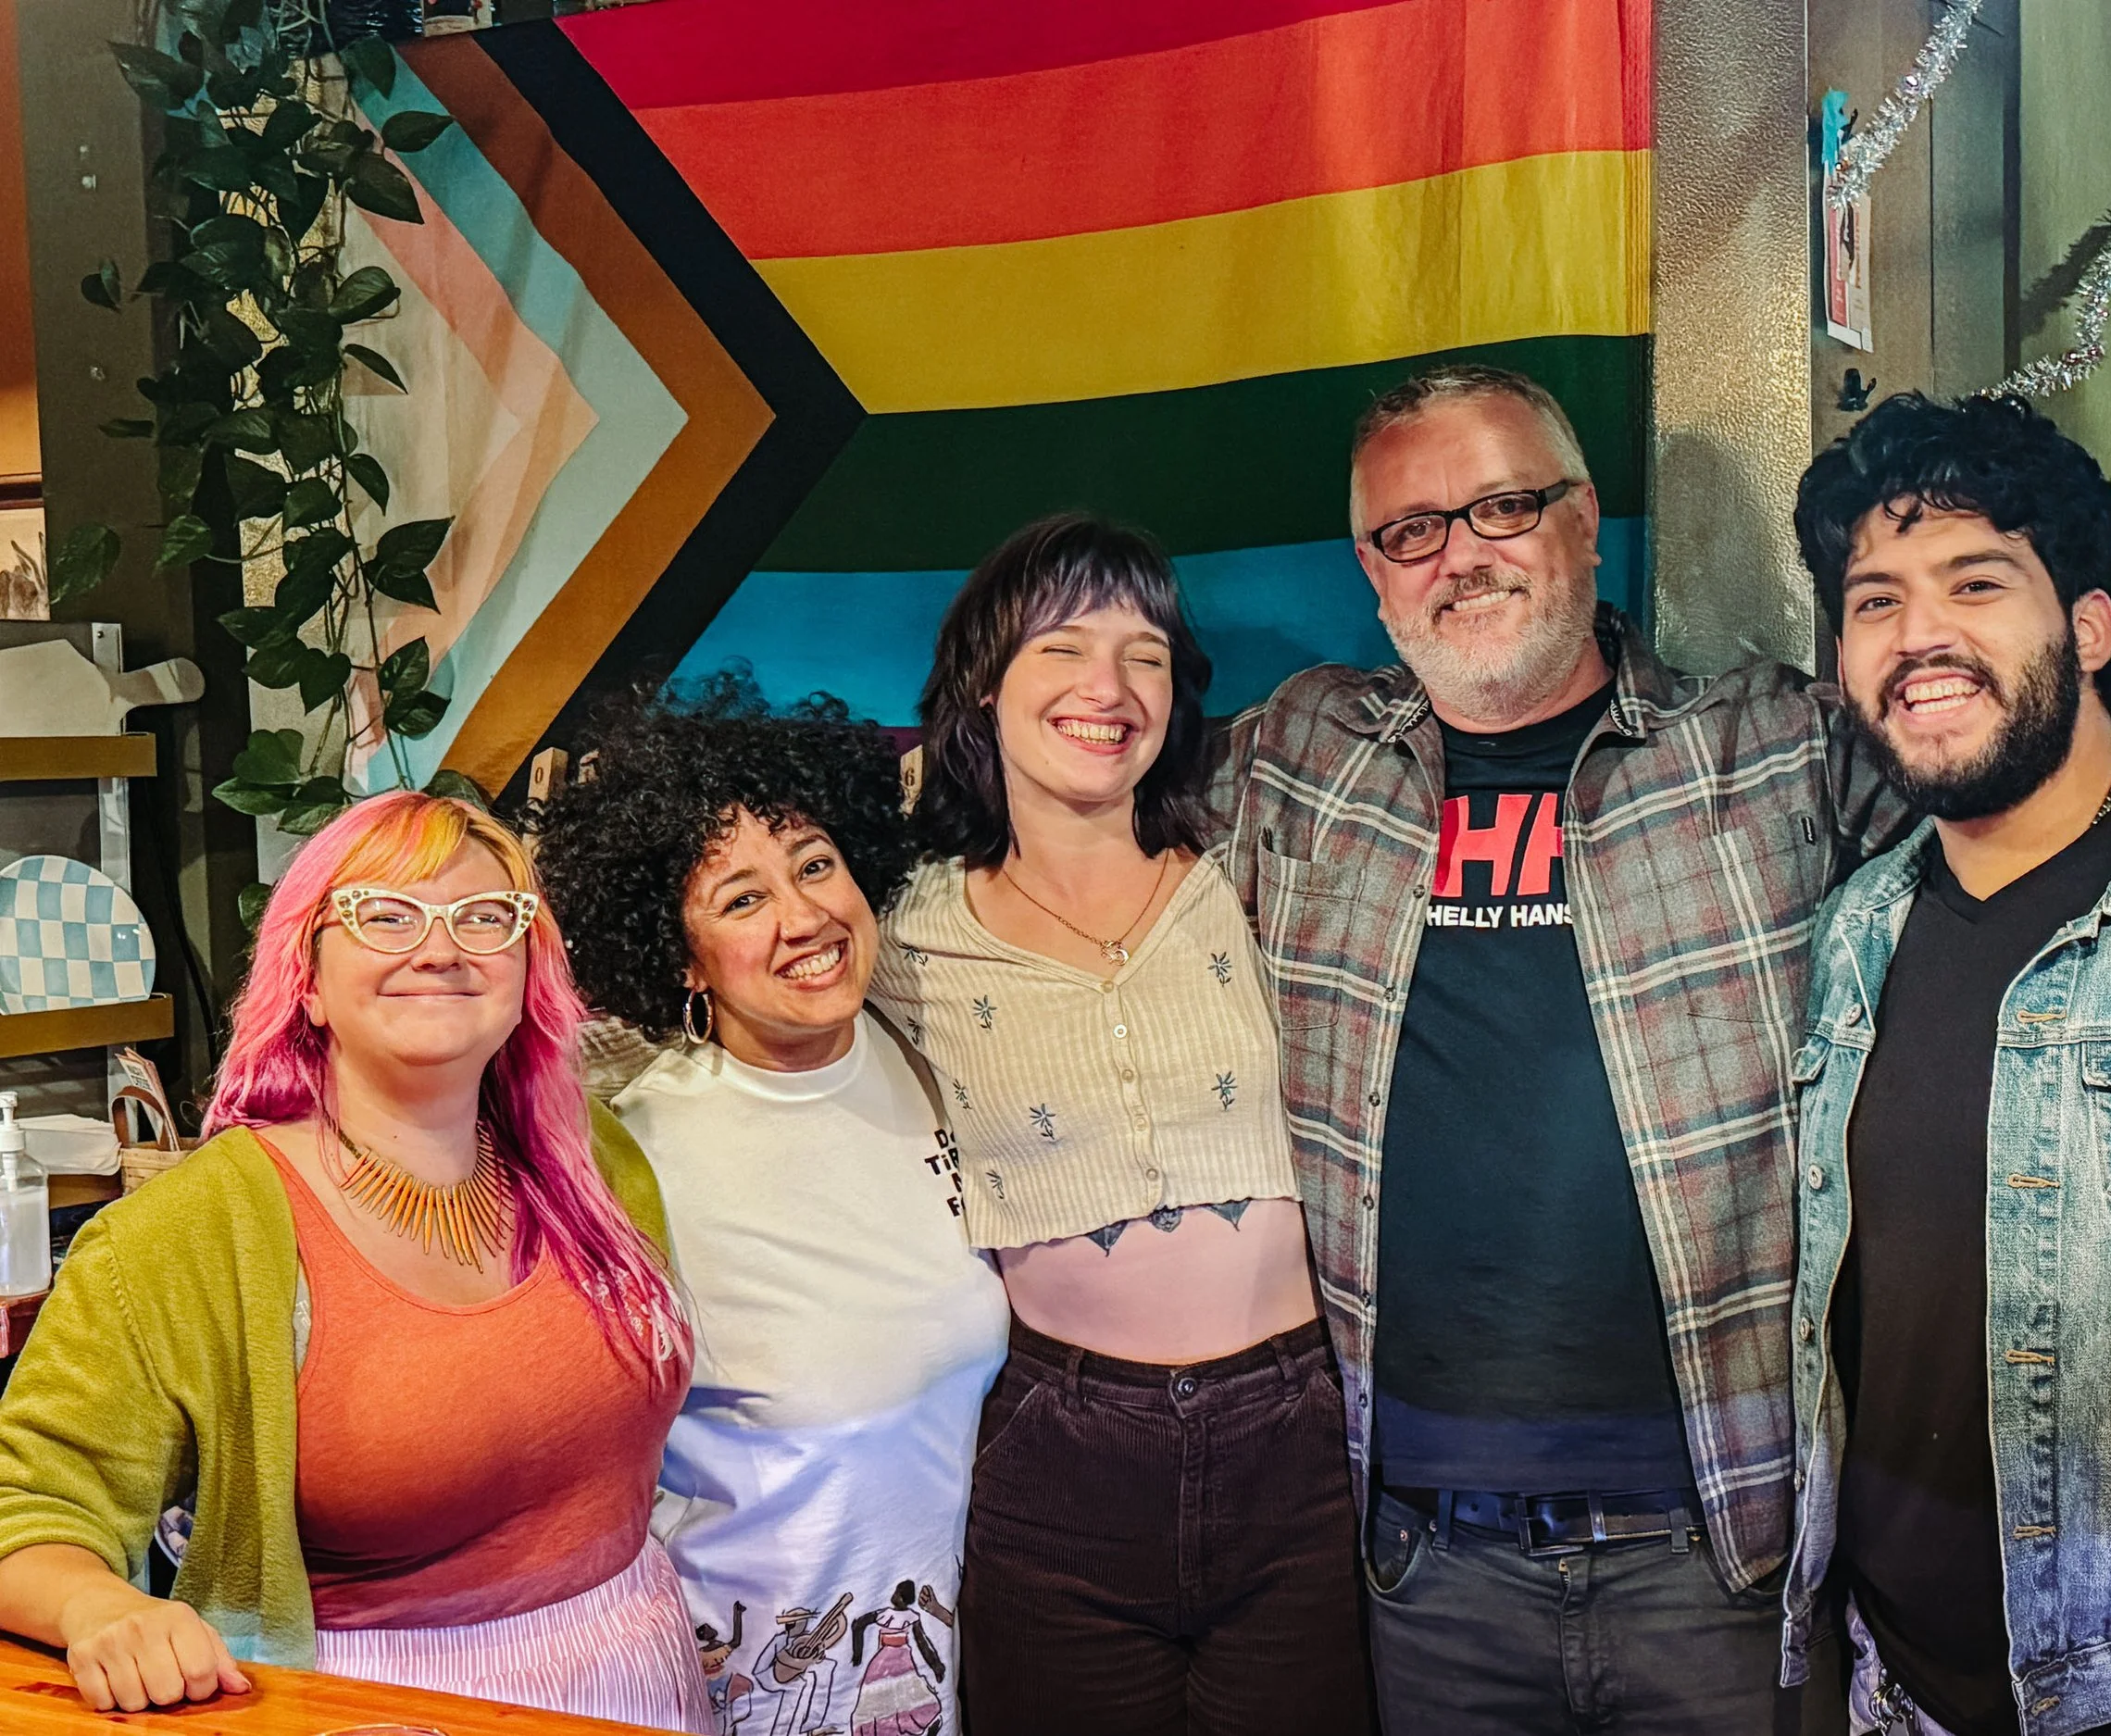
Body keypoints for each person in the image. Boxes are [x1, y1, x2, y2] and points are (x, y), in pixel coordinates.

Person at [1205, 362, 2111, 1735]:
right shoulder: (1295, 763)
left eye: (1501, 504)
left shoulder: (1776, 750)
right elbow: (1069, 798)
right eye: (1410, 530)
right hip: (1428, 1564)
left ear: (1582, 518)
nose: (1461, 555)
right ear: (1371, 573)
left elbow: (2026, 755)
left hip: (1724, 1550)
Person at [1780, 393, 2111, 1736]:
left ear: (2088, 626)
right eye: (1875, 599)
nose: (1921, 636)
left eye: (1977, 580)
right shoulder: (1857, 931)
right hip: (1892, 1690)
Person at [0, 792, 706, 1730]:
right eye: (385, 915)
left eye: (485, 918)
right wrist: (104, 1609)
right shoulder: (181, 1237)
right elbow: (29, 1510)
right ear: (309, 979)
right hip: (368, 1708)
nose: (442, 948)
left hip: (642, 1675)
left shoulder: (592, 1156)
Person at [871, 514, 1371, 1734]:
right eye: (1064, 647)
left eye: (1143, 651)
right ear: (984, 681)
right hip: (1060, 1450)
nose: (1109, 686)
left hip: (1295, 1434)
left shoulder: (1244, 871)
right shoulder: (897, 931)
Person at [535, 688, 1010, 1736]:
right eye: (740, 900)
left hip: (937, 1668)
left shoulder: (931, 1059)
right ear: (680, 955)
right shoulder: (633, 1156)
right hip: (738, 1685)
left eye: (812, 863)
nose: (803, 918)